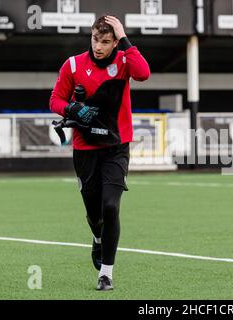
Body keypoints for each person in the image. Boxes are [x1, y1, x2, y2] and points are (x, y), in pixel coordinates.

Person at [49, 15, 150, 291]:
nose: (99, 46)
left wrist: (126, 39)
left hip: (116, 148)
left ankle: (106, 273)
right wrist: (71, 109)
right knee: (95, 214)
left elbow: (143, 73)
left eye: (106, 42)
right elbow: (55, 100)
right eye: (95, 39)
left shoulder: (124, 61)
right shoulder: (73, 64)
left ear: (116, 42)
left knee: (110, 206)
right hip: (85, 150)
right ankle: (96, 237)